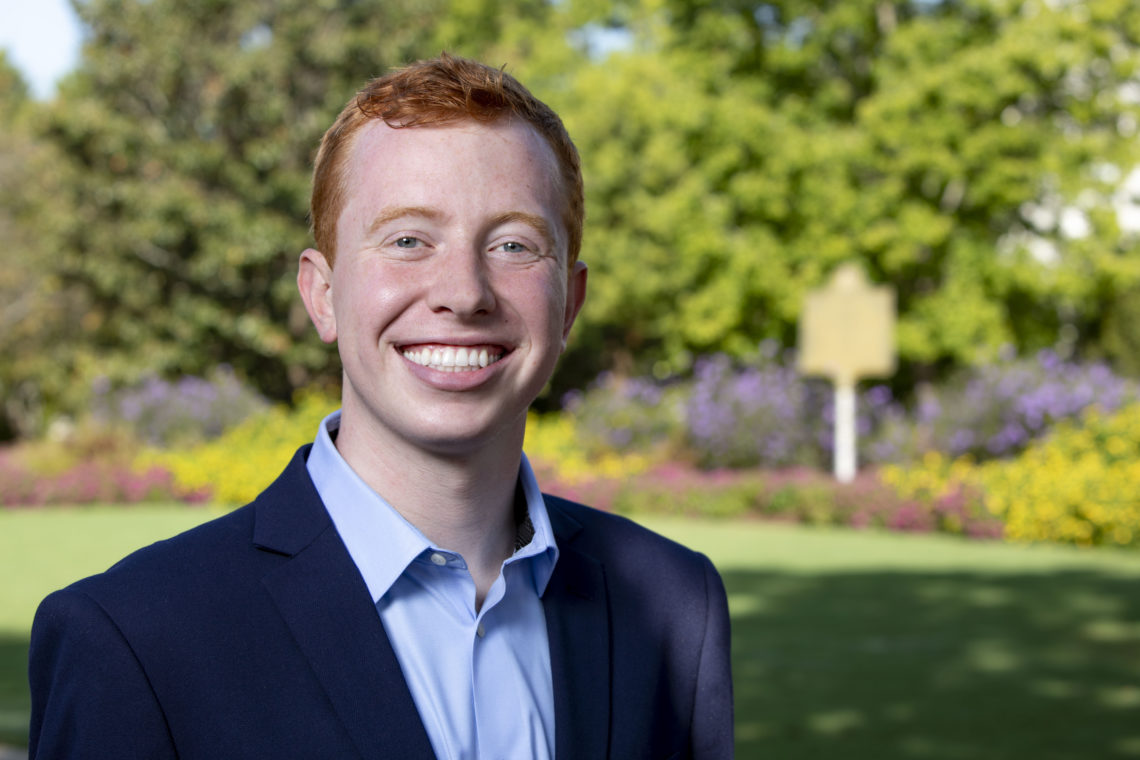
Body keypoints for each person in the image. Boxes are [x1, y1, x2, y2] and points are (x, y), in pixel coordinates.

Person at [28, 53, 733, 759]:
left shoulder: (676, 606)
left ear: (569, 302)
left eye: (514, 244)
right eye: (407, 240)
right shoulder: (132, 638)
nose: (464, 291)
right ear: (322, 295)